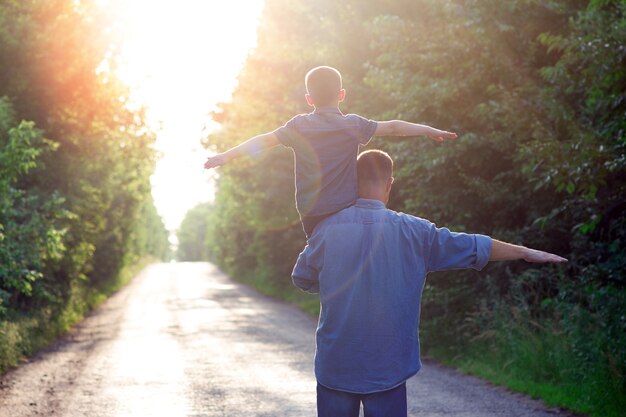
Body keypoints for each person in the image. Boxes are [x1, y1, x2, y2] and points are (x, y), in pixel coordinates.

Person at [292, 149, 568, 417]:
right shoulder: (416, 232)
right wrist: (524, 252)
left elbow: (301, 277)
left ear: (352, 181)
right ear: (390, 183)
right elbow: (473, 246)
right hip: (389, 366)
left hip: (336, 364)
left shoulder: (326, 230)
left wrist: (335, 283)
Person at [203, 66, 457, 237]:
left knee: (321, 258)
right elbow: (393, 127)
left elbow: (261, 141)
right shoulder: (353, 125)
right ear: (342, 94)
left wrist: (226, 156)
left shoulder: (299, 126)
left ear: (309, 98)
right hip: (345, 210)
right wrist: (428, 129)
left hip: (311, 212)